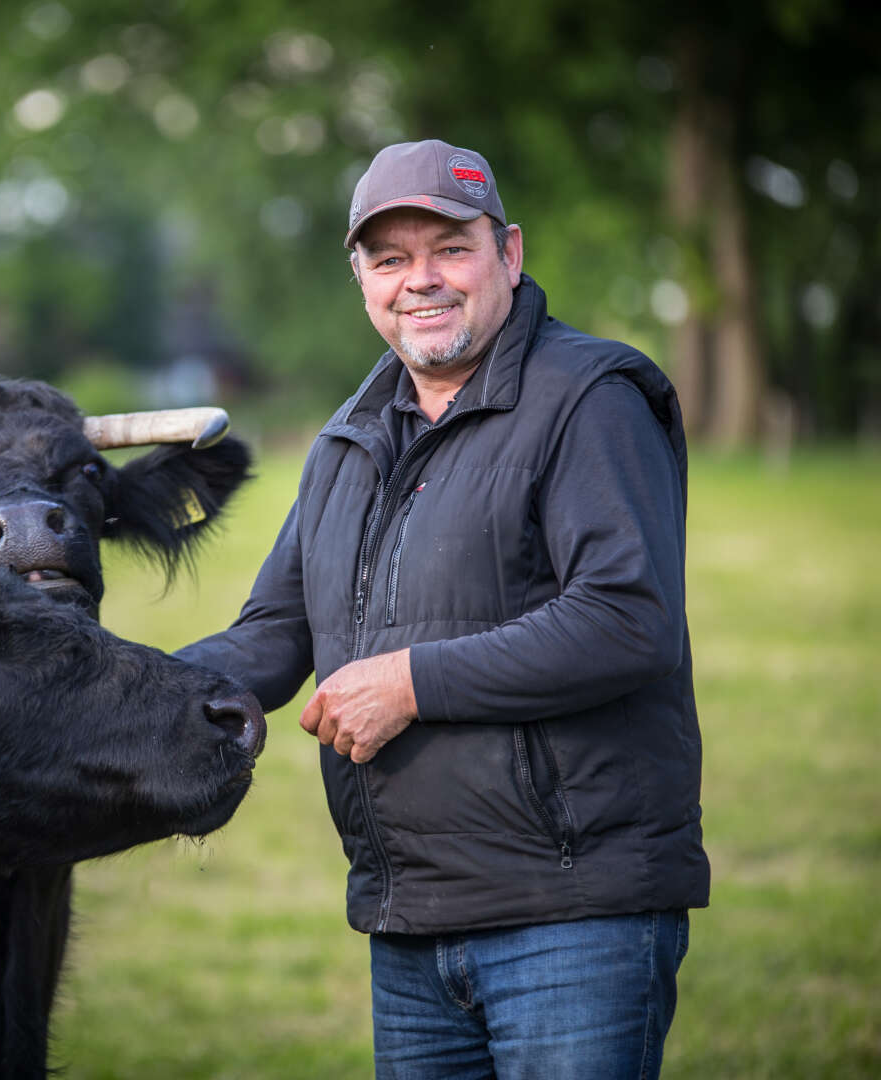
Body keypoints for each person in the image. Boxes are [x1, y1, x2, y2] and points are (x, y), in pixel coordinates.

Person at [178, 139, 709, 1078]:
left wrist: (412, 682)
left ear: (507, 253)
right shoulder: (347, 441)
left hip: (571, 919)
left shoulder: (591, 398)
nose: (420, 281)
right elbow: (276, 630)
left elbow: (628, 620)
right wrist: (120, 685)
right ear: (362, 281)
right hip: (412, 921)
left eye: (449, 249)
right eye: (390, 259)